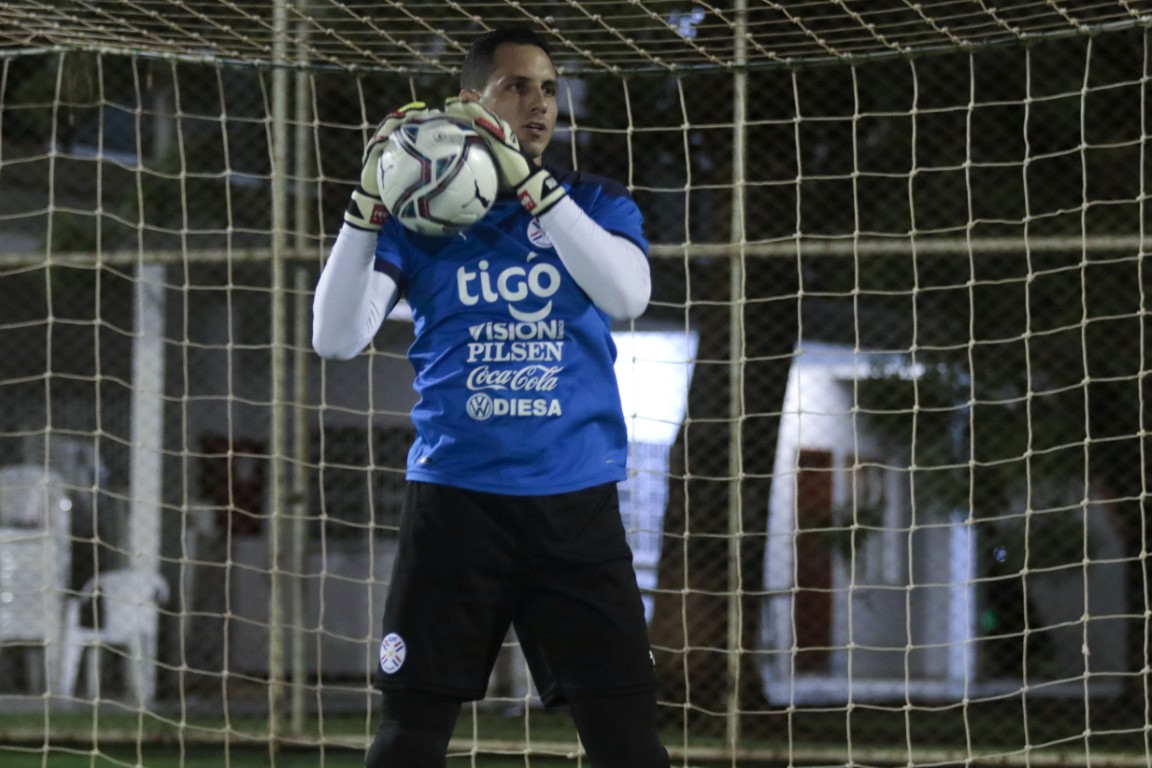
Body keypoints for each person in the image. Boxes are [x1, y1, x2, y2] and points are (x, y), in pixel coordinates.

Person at [312, 25, 670, 768]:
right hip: (455, 505)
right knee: (409, 736)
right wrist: (366, 204)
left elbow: (628, 293)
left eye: (548, 87)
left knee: (628, 742)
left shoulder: (594, 203)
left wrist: (534, 188)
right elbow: (335, 337)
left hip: (575, 507)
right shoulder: (424, 222)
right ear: (472, 101)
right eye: (517, 86)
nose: (539, 102)